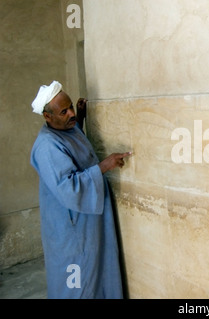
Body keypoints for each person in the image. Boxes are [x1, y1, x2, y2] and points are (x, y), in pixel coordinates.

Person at [30, 80, 131, 299]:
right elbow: (68, 186)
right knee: (76, 281)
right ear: (47, 117)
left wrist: (81, 118)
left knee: (97, 271)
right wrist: (105, 165)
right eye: (63, 111)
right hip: (71, 228)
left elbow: (73, 145)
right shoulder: (47, 146)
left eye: (71, 108)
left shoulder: (65, 129)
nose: (70, 114)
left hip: (86, 222)